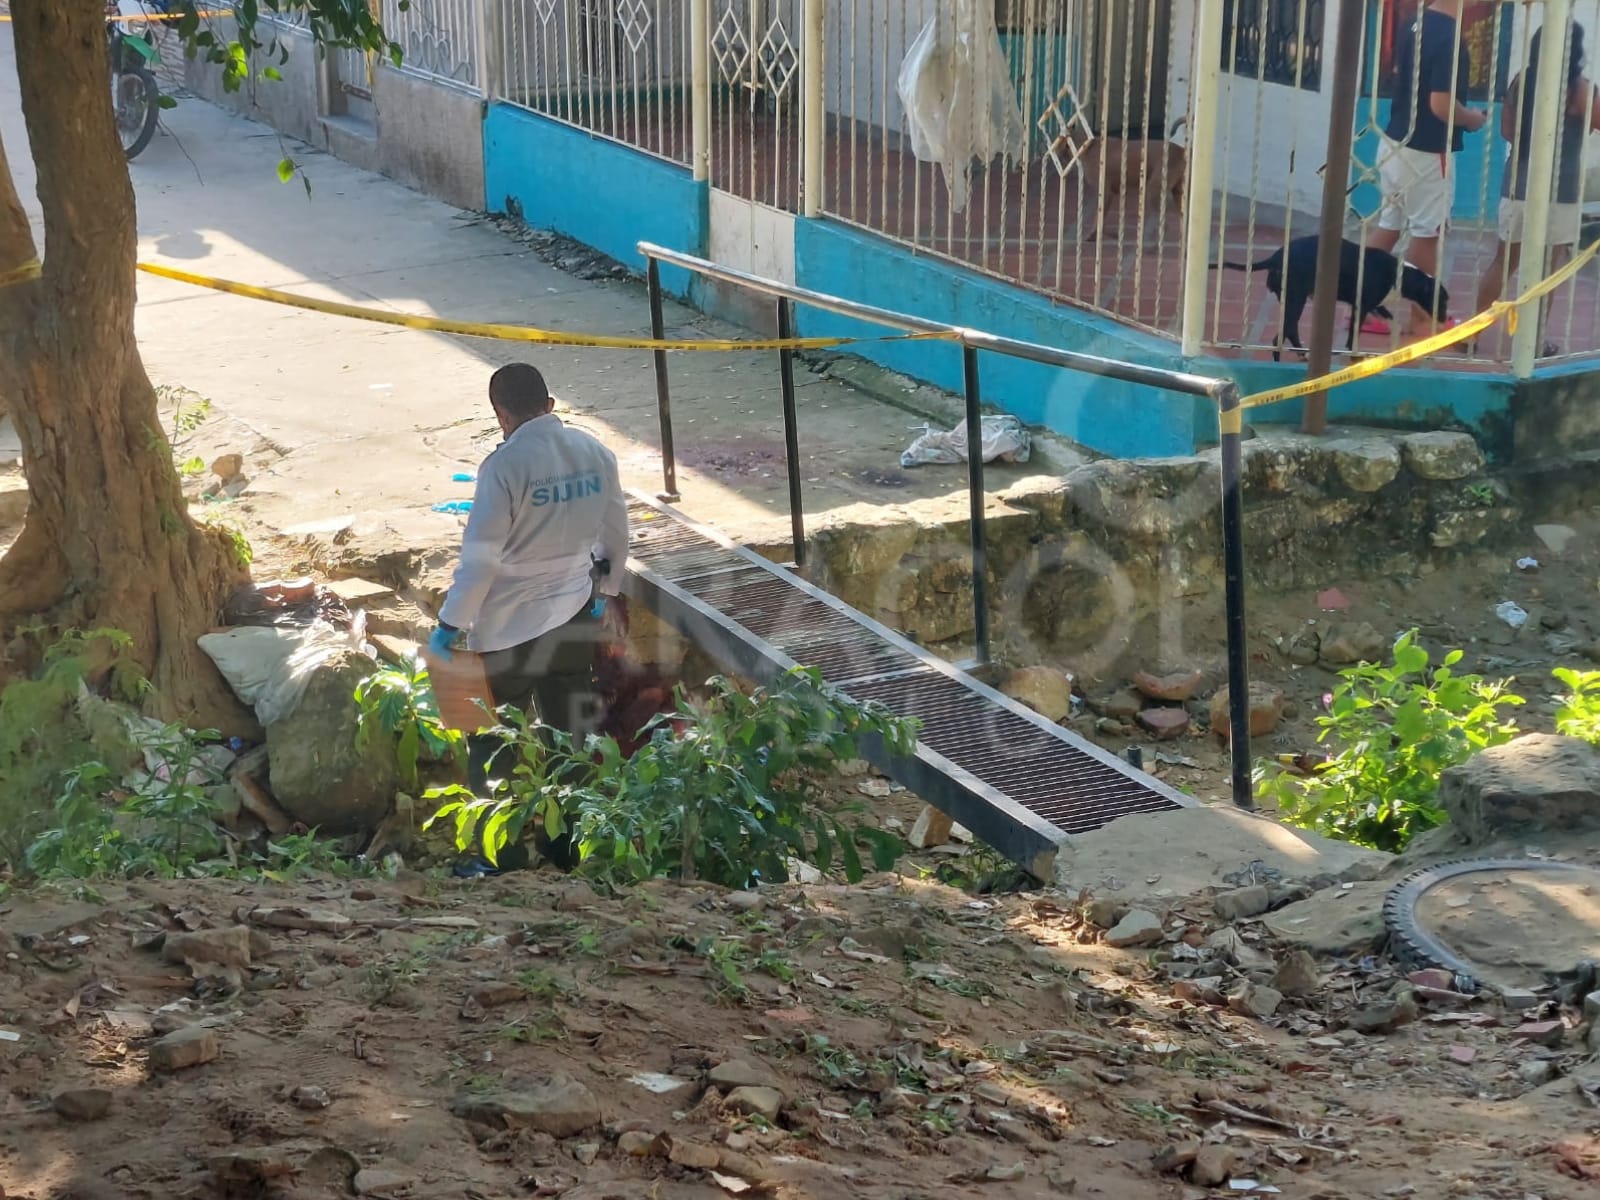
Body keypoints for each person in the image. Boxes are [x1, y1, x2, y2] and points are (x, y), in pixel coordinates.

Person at [428, 362, 630, 870]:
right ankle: (569, 848)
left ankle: (501, 857)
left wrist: (450, 626)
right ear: (551, 404)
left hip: (507, 628)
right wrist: (606, 591)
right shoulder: (596, 452)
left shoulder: (503, 468)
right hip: (572, 613)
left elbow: (480, 561)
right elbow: (617, 534)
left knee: (492, 740)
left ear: (501, 414)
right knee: (568, 733)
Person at [1367, 0, 1493, 332]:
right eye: (1484, 11)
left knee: (1389, 225)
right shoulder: (1449, 36)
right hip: (1426, 151)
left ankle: (1362, 307)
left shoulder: (1414, 24)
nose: (1480, 19)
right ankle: (1423, 319)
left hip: (1394, 142)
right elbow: (1440, 104)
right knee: (1428, 233)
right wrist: (1472, 120)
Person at [1475, 21, 1600, 355]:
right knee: (1547, 272)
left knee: (1503, 263)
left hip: (1518, 184)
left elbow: (1506, 131)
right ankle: (1531, 343)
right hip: (1560, 191)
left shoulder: (1521, 82)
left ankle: (1470, 335)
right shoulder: (1580, 89)